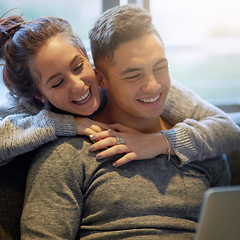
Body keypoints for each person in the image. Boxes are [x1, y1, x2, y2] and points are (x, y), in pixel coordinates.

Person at [21, 4, 235, 239]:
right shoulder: (66, 156)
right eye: (133, 75)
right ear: (101, 79)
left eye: (160, 67)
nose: (153, 86)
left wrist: (159, 142)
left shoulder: (203, 147)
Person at [0, 13, 239, 169]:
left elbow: (228, 131)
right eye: (57, 83)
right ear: (39, 96)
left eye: (78, 66)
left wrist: (159, 142)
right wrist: (66, 124)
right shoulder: (28, 109)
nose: (78, 85)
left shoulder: (128, 77)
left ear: (89, 59)